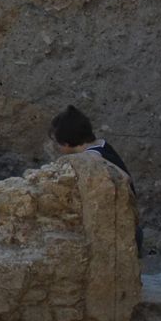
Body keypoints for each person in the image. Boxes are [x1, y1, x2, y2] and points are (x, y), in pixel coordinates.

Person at [50, 105, 142, 253]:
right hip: (129, 228)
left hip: (123, 234)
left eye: (57, 142)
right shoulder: (100, 143)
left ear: (66, 143)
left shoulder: (92, 158)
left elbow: (124, 178)